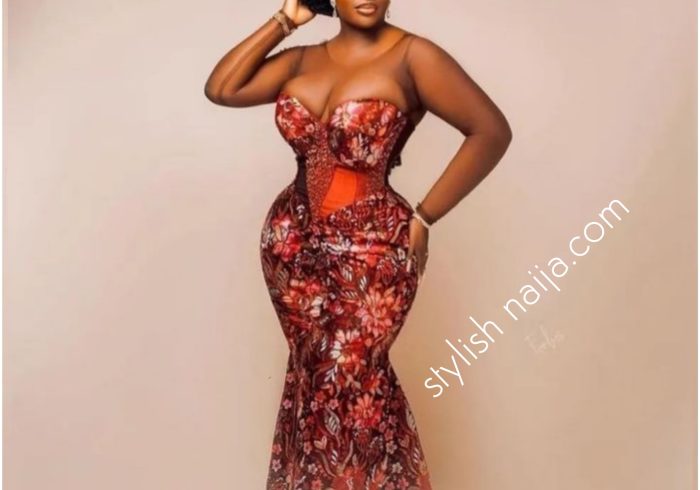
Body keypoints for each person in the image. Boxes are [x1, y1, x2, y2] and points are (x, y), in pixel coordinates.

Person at [204, 0, 512, 487]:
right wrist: (285, 20)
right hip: (292, 246)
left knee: (347, 379)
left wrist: (426, 215)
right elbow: (222, 88)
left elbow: (491, 131)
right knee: (313, 380)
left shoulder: (413, 56)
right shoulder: (302, 59)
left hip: (372, 247)